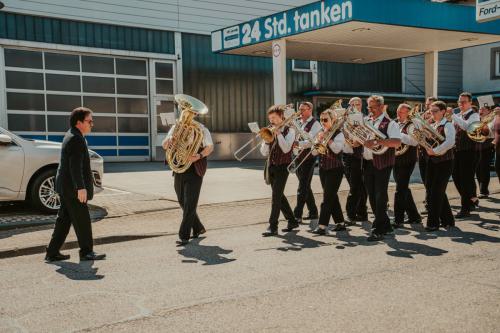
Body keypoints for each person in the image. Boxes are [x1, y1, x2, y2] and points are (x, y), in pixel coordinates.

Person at [46, 107, 106, 262]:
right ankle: (86, 252)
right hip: (72, 188)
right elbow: (75, 167)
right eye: (89, 121)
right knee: (82, 220)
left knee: (64, 220)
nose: (92, 124)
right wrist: (81, 188)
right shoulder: (76, 139)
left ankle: (52, 252)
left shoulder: (73, 134)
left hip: (66, 186)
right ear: (79, 122)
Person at [162, 109, 214, 246]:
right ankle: (198, 228)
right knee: (181, 200)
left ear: (196, 115)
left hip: (195, 169)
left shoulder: (201, 129)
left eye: (191, 113)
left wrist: (199, 155)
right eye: (185, 112)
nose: (186, 115)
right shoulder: (175, 127)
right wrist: (169, 142)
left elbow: (210, 147)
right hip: (179, 168)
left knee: (190, 202)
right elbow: (164, 145)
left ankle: (184, 235)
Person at [362, 95, 401, 241]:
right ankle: (386, 226)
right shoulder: (367, 121)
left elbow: (396, 142)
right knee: (372, 195)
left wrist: (377, 141)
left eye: (372, 107)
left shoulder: (390, 123)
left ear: (380, 106)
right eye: (368, 107)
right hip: (368, 162)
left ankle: (378, 229)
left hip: (382, 164)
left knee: (380, 196)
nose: (369, 110)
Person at [260, 105, 298, 236]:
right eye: (270, 118)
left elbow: (287, 149)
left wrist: (279, 134)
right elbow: (264, 152)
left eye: (274, 118)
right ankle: (292, 220)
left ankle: (273, 226)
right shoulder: (268, 130)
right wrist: (266, 140)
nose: (272, 121)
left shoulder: (290, 130)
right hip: (271, 166)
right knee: (279, 196)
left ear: (282, 117)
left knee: (276, 197)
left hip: (283, 167)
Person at [311, 109, 346, 235]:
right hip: (323, 168)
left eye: (325, 120)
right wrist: (318, 141)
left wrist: (328, 139)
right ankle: (340, 223)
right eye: (321, 120)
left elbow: (337, 150)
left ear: (333, 120)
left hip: (335, 169)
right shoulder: (320, 133)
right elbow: (314, 152)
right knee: (332, 196)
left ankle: (322, 226)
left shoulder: (339, 134)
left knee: (327, 198)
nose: (323, 122)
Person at [424, 101, 456, 231]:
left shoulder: (448, 125)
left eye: (435, 111)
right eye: (431, 111)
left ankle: (433, 223)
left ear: (443, 111)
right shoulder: (432, 124)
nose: (432, 113)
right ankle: (448, 220)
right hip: (432, 161)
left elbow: (450, 142)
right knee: (433, 190)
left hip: (445, 162)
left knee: (436, 192)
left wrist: (435, 151)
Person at [451, 92, 481, 218]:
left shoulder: (474, 115)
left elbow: (468, 127)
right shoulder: (458, 115)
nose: (461, 104)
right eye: (459, 102)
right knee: (456, 176)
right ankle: (471, 200)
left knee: (465, 179)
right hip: (457, 150)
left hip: (469, 151)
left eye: (463, 102)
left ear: (470, 103)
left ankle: (465, 208)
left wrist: (453, 116)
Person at [393, 104, 421, 228]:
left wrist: (397, 134)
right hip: (395, 159)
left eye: (402, 112)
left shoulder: (412, 124)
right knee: (404, 189)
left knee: (400, 190)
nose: (399, 114)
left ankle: (398, 219)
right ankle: (414, 216)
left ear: (408, 113)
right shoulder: (394, 123)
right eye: (398, 111)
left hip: (407, 160)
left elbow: (414, 141)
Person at [293, 102, 321, 223]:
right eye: (299, 109)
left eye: (302, 109)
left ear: (310, 110)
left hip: (308, 157)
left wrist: (299, 144)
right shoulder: (299, 121)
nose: (300, 112)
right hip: (297, 155)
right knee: (305, 186)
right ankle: (313, 212)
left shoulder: (315, 124)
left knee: (302, 186)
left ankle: (297, 214)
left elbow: (312, 141)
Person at [343, 97, 368, 223]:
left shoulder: (365, 119)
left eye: (357, 104)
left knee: (355, 186)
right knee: (359, 186)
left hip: (359, 156)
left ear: (361, 105)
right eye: (352, 104)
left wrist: (360, 141)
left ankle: (351, 214)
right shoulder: (344, 119)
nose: (354, 106)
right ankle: (362, 213)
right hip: (346, 155)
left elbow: (368, 136)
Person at [418, 96, 437, 213]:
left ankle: (430, 203)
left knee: (431, 179)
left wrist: (428, 123)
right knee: (425, 178)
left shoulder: (437, 117)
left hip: (433, 151)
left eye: (430, 104)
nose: (428, 107)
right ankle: (430, 200)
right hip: (422, 150)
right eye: (427, 104)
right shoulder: (423, 116)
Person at [475, 106, 495, 198]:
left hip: (487, 146)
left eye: (483, 109)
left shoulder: (492, 120)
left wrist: (483, 124)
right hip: (478, 146)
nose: (480, 111)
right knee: (478, 168)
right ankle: (481, 188)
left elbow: (490, 132)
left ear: (489, 111)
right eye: (480, 109)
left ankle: (484, 190)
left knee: (484, 168)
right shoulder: (478, 119)